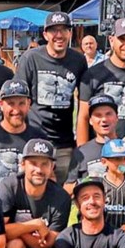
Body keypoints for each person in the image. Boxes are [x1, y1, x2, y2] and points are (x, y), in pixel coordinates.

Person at [15, 12, 88, 182]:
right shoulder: (30, 58)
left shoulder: (78, 60)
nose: (59, 35)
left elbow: (83, 101)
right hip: (34, 139)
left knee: (59, 195)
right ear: (45, 34)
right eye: (54, 30)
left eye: (64, 30)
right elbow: (19, 100)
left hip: (64, 143)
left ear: (70, 33)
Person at [0, 80, 47, 181]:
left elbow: (49, 176)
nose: (16, 110)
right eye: (11, 104)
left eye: (21, 103)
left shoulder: (40, 139)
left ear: (29, 104)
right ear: (1, 105)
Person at [66, 94, 120, 192]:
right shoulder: (81, 152)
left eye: (108, 114)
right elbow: (68, 187)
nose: (104, 119)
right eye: (98, 115)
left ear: (117, 117)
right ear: (90, 121)